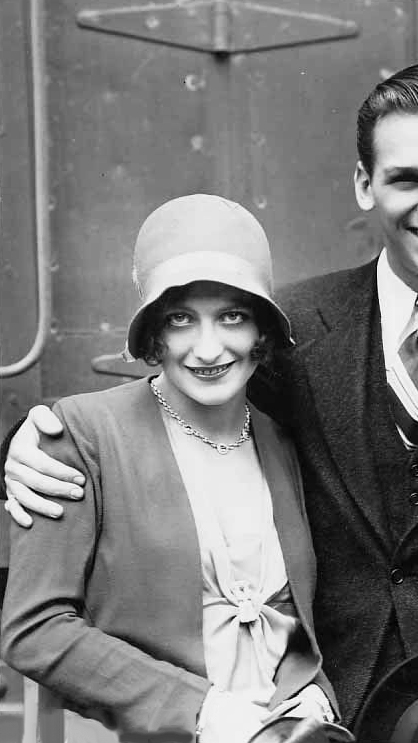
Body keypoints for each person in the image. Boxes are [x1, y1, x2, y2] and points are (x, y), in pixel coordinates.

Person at [2, 63, 418, 733]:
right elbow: (182, 409)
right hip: (322, 708)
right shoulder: (289, 330)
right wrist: (27, 448)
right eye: (406, 178)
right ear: (365, 184)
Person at [1, 195, 338, 742]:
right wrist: (205, 712)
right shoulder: (82, 433)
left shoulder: (280, 440)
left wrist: (316, 688)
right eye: (182, 319)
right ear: (155, 335)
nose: (208, 349)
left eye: (233, 316)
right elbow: (34, 630)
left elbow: (294, 621)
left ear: (261, 335)